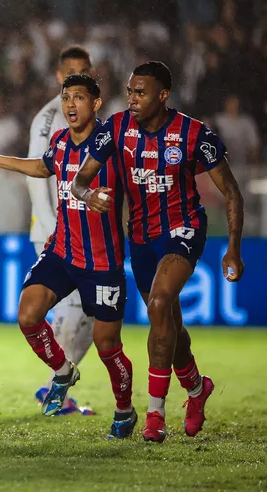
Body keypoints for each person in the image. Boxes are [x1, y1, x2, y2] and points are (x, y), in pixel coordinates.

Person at [71, 61, 245, 443]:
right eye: (130, 91)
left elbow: (232, 191)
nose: (132, 98)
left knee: (159, 303)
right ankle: (198, 389)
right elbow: (79, 182)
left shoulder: (193, 133)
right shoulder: (116, 128)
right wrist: (91, 195)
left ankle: (154, 414)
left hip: (184, 229)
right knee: (170, 326)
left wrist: (233, 249)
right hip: (141, 237)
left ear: (163, 95)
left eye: (140, 92)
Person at [0, 74, 137, 439]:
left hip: (102, 262)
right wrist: (0, 160)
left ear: (95, 104)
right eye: (66, 98)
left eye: (79, 98)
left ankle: (125, 411)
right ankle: (63, 371)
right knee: (28, 314)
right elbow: (42, 167)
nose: (70, 105)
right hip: (62, 251)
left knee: (108, 345)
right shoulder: (61, 141)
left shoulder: (112, 143)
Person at [25, 46, 97, 416]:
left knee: (88, 313)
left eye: (84, 71)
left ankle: (58, 386)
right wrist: (53, 226)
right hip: (58, 231)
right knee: (73, 307)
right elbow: (39, 174)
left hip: (84, 232)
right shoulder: (49, 118)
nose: (77, 77)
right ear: (58, 76)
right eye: (71, 72)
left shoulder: (89, 117)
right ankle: (58, 387)